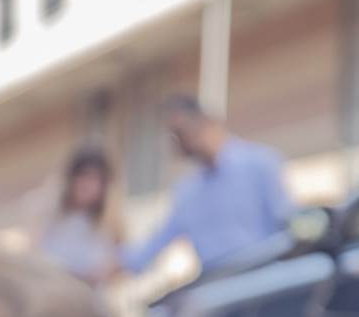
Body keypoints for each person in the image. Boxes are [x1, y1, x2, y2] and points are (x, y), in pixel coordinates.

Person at [119, 94, 292, 275]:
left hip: (265, 281)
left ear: (206, 122)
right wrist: (115, 261)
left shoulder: (260, 164)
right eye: (174, 135)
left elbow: (286, 226)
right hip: (215, 290)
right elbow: (152, 247)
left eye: (181, 131)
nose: (180, 141)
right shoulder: (187, 192)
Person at [40, 144, 119, 285]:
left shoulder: (110, 222)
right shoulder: (46, 214)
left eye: (97, 179)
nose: (89, 185)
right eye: (84, 176)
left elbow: (120, 261)